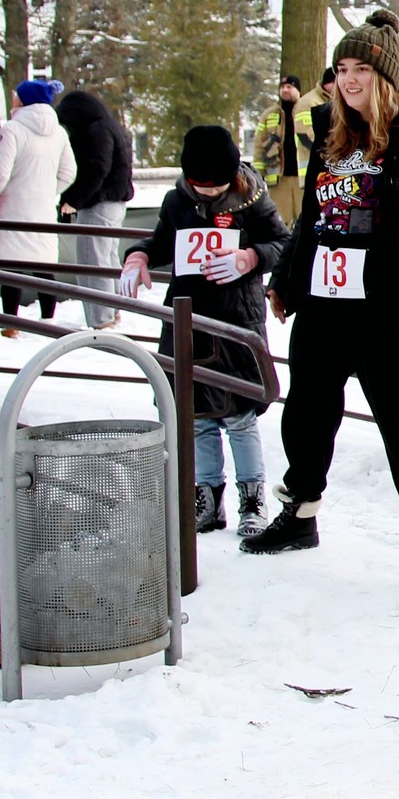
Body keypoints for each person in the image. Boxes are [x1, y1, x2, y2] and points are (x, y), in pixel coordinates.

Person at [245, 8, 399, 593]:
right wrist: (286, 280)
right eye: (342, 69)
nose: (348, 81)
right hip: (325, 300)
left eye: (361, 70)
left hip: (389, 307)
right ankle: (299, 514)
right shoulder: (330, 136)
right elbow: (311, 221)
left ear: (387, 77)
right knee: (307, 411)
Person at [123, 125, 290, 538]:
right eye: (200, 184)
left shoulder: (253, 199)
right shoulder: (177, 200)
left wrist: (250, 257)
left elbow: (283, 243)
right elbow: (162, 241)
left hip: (237, 321)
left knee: (240, 416)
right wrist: (139, 256)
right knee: (195, 416)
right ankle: (206, 496)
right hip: (187, 320)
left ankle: (252, 499)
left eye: (216, 184)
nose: (208, 192)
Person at [0, 80, 78, 334]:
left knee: (11, 266)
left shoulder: (12, 129)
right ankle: (48, 319)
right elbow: (69, 172)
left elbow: (0, 170)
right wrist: (48, 191)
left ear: (24, 100)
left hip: (13, 206)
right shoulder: (59, 132)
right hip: (43, 207)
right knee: (43, 264)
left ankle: (11, 323)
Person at [55, 89, 135, 330]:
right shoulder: (112, 126)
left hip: (98, 203)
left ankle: (101, 319)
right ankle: (112, 310)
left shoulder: (96, 131)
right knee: (107, 259)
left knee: (92, 262)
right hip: (114, 202)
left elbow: (96, 169)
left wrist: (75, 200)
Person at [253, 75, 313, 225]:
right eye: (282, 87)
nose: (285, 90)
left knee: (307, 221)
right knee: (279, 223)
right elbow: (259, 145)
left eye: (289, 87)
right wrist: (257, 176)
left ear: (298, 90)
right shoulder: (269, 115)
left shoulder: (309, 110)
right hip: (279, 180)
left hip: (304, 179)